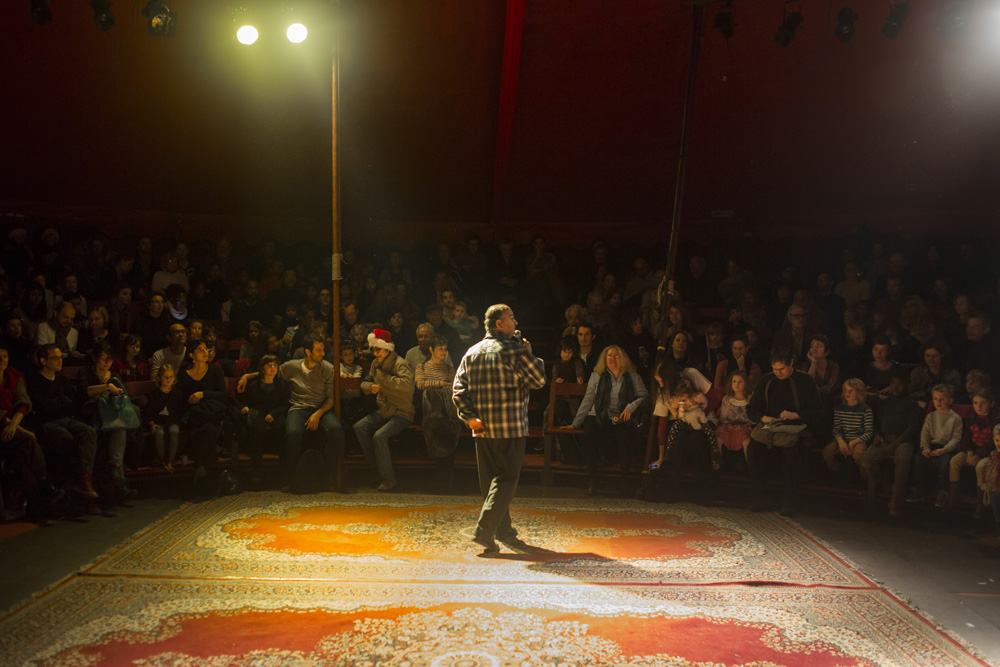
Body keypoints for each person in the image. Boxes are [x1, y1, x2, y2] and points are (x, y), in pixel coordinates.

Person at [453, 304, 546, 557]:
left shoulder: (471, 353)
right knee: (505, 480)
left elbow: (458, 390)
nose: (515, 322)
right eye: (511, 318)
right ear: (498, 324)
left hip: (482, 429)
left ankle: (503, 533)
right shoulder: (514, 350)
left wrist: (469, 418)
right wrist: (529, 353)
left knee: (490, 483)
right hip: (510, 427)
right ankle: (484, 531)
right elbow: (538, 380)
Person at [238, 334, 343, 493]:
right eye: (319, 350)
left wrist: (318, 414)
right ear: (308, 351)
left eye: (323, 350)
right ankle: (291, 478)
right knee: (292, 433)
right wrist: (247, 375)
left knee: (336, 429)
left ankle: (328, 477)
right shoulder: (291, 367)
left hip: (321, 408)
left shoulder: (327, 368)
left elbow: (330, 399)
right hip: (298, 408)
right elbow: (269, 371)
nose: (323, 353)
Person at [562, 345, 650, 497]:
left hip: (622, 415)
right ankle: (593, 480)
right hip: (599, 414)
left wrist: (630, 407)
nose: (613, 359)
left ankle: (624, 481)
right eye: (609, 356)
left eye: (616, 356)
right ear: (605, 359)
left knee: (625, 438)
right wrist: (576, 422)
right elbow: (588, 400)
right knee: (589, 433)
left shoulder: (632, 375)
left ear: (622, 359)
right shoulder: (597, 375)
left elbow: (644, 396)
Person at [746, 346, 823, 517]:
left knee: (791, 453)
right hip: (770, 427)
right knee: (754, 449)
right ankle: (759, 498)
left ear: (791, 364)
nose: (778, 373)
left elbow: (817, 411)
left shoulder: (805, 381)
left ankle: (790, 502)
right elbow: (751, 409)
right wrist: (764, 418)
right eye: (775, 369)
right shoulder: (767, 380)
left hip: (796, 428)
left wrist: (796, 415)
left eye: (782, 369)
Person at [28, 344, 99, 500]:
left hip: (66, 419)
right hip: (47, 423)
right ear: (43, 361)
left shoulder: (62, 380)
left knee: (89, 432)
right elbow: (41, 407)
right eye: (56, 357)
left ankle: (85, 480)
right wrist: (62, 402)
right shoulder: (35, 382)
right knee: (66, 439)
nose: (60, 361)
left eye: (61, 357)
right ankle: (66, 482)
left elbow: (73, 403)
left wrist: (59, 403)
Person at [0, 345, 58, 525]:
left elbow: (23, 401)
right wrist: (16, 427)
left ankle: (35, 505)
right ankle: (44, 482)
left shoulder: (13, 375)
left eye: (4, 356)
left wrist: (16, 423)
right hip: (3, 427)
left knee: (21, 458)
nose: (2, 360)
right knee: (28, 439)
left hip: (13, 426)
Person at [76, 340, 138, 504]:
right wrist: (106, 387)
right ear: (95, 358)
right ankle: (119, 482)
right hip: (92, 417)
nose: (107, 363)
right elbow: (85, 391)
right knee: (119, 429)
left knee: (120, 429)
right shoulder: (85, 372)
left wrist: (115, 391)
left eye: (110, 359)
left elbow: (123, 398)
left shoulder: (115, 376)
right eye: (103, 358)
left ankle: (116, 471)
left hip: (111, 419)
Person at [354, 329, 415, 491]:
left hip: (401, 412)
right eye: (373, 349)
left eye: (377, 349)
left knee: (379, 436)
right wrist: (369, 387)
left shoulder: (400, 363)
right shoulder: (375, 364)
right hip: (384, 410)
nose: (374, 353)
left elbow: (408, 386)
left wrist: (382, 379)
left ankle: (388, 478)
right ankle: (376, 467)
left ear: (387, 349)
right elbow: (364, 382)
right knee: (359, 427)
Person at [178, 338, 235, 496]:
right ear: (191, 355)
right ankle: (206, 478)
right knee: (205, 430)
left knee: (207, 429)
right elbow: (181, 400)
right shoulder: (184, 375)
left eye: (206, 350)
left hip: (212, 412)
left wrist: (202, 394)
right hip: (195, 415)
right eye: (200, 350)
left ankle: (199, 468)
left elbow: (223, 395)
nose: (205, 353)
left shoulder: (215, 370)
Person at [861, 370, 921, 517]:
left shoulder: (912, 403)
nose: (896, 387)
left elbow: (913, 427)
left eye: (899, 384)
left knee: (903, 461)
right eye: (893, 384)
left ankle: (896, 500)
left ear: (906, 385)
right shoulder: (886, 402)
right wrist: (876, 435)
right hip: (884, 438)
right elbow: (876, 422)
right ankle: (873, 496)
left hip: (903, 440)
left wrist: (896, 443)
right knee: (868, 458)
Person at [238, 354, 289, 488]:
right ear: (262, 368)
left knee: (282, 426)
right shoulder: (254, 386)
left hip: (276, 412)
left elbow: (285, 404)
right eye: (269, 365)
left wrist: (274, 413)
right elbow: (248, 402)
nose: (273, 368)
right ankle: (256, 471)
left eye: (275, 365)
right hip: (260, 412)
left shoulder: (281, 385)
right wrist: (245, 407)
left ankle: (283, 471)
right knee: (257, 429)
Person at [909, 384, 963, 507]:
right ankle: (918, 489)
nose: (938, 402)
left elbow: (956, 439)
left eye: (942, 399)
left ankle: (942, 494)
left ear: (950, 400)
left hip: (948, 447)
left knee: (944, 463)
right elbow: (925, 434)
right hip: (933, 445)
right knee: (918, 459)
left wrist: (944, 450)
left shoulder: (955, 418)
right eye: (935, 399)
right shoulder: (931, 416)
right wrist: (925, 447)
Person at [821, 378, 874, 483]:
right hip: (842, 438)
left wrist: (853, 443)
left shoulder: (865, 409)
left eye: (851, 390)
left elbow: (869, 432)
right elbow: (837, 429)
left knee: (859, 455)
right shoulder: (840, 409)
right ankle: (838, 475)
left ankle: (865, 478)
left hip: (858, 439)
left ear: (858, 392)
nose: (847, 393)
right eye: (845, 390)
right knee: (827, 452)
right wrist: (841, 441)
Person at [143, 364, 185, 472]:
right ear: (160, 378)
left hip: (172, 421)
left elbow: (180, 410)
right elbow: (149, 410)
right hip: (159, 421)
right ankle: (162, 458)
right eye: (165, 376)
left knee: (174, 431)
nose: (168, 379)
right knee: (158, 432)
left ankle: (170, 460)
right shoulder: (155, 393)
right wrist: (151, 422)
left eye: (171, 377)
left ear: (174, 378)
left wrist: (180, 421)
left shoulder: (177, 393)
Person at [716, 370, 753, 461]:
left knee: (747, 442)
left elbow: (753, 417)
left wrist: (745, 425)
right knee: (718, 439)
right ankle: (717, 463)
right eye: (734, 381)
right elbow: (723, 418)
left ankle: (749, 466)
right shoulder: (728, 399)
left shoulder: (750, 399)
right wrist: (729, 425)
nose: (737, 384)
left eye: (740, 381)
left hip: (745, 428)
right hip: (730, 427)